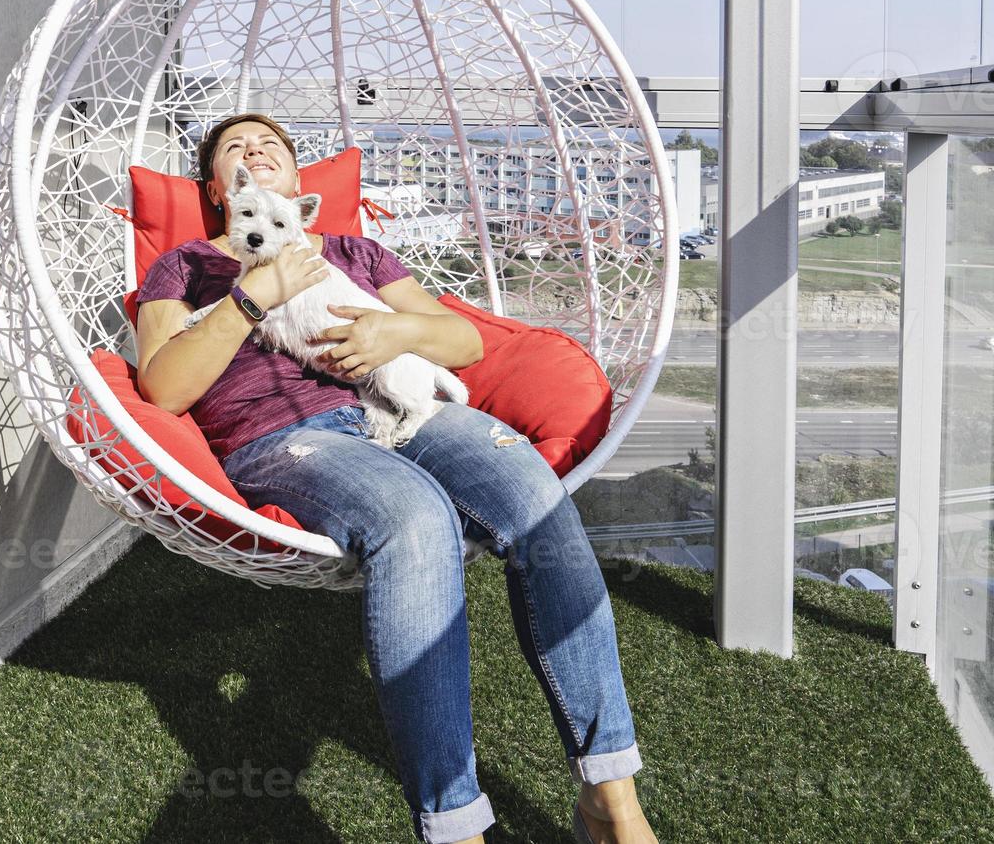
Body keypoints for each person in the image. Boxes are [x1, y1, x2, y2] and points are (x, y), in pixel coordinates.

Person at [134, 113, 658, 844]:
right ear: (223, 190)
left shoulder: (355, 249)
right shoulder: (187, 267)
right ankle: (455, 827)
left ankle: (611, 800)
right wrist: (252, 295)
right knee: (416, 522)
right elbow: (163, 387)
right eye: (235, 151)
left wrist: (395, 332)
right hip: (286, 438)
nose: (255, 153)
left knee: (536, 496)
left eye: (271, 147)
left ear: (296, 180)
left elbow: (464, 339)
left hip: (406, 402)